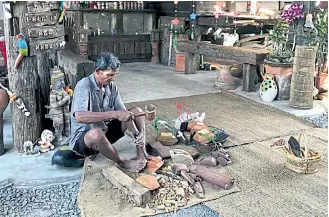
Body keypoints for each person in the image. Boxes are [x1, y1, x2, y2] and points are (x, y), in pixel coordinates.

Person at [69, 52, 147, 172]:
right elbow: (80, 116)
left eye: (115, 74)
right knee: (96, 133)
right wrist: (114, 114)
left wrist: (138, 133)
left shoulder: (112, 87)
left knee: (137, 111)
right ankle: (122, 162)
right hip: (85, 140)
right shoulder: (83, 85)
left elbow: (124, 114)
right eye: (109, 74)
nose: (113, 78)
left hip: (105, 134)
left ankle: (141, 154)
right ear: (98, 71)